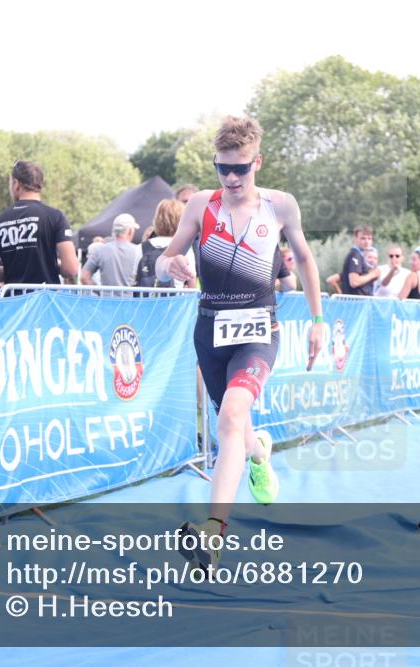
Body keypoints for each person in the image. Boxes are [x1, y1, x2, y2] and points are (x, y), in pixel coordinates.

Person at [155, 115, 326, 567]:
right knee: (236, 426)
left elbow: (305, 260)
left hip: (258, 331)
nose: (231, 178)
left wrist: (317, 319)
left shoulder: (281, 206)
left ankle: (214, 531)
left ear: (258, 163)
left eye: (240, 169)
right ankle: (259, 452)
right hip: (210, 330)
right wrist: (168, 265)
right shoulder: (199, 206)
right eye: (222, 168)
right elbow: (166, 256)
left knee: (231, 415)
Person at [0, 160, 79, 289]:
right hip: (45, 301)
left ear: (16, 184)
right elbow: (71, 269)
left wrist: (14, 271)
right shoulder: (55, 217)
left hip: (13, 302)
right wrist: (47, 267)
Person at [138, 200, 196, 290]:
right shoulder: (184, 248)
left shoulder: (140, 247)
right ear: (181, 220)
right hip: (173, 302)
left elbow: (134, 279)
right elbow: (192, 285)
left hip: (144, 302)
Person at [81, 213, 141, 296]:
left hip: (107, 303)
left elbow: (84, 277)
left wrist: (100, 292)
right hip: (129, 303)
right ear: (130, 231)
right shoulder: (138, 251)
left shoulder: (100, 250)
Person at [339, 226, 379, 296]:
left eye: (369, 239)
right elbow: (354, 282)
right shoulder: (355, 255)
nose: (367, 242)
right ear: (355, 238)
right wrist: (372, 274)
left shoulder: (360, 255)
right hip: (356, 303)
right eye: (363, 238)